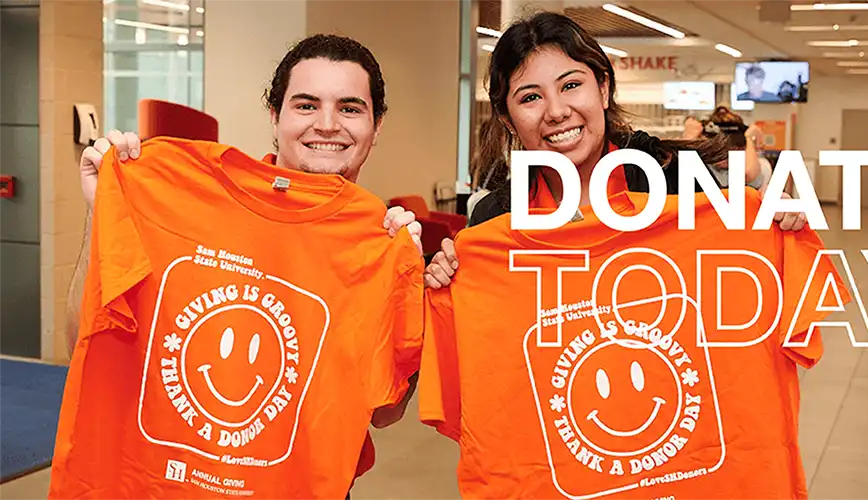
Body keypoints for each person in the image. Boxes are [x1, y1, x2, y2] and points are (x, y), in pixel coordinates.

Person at [64, 34, 420, 498]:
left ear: (376, 124)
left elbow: (386, 413)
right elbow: (81, 341)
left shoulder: (380, 243)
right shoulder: (185, 205)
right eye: (306, 105)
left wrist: (405, 287)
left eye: (349, 108)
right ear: (275, 116)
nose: (327, 124)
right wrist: (105, 211)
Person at [423, 13, 806, 289]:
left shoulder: (677, 181)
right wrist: (447, 278)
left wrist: (776, 222)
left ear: (603, 89)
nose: (556, 111)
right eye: (530, 97)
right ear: (508, 120)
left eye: (571, 85)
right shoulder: (494, 218)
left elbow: (751, 285)